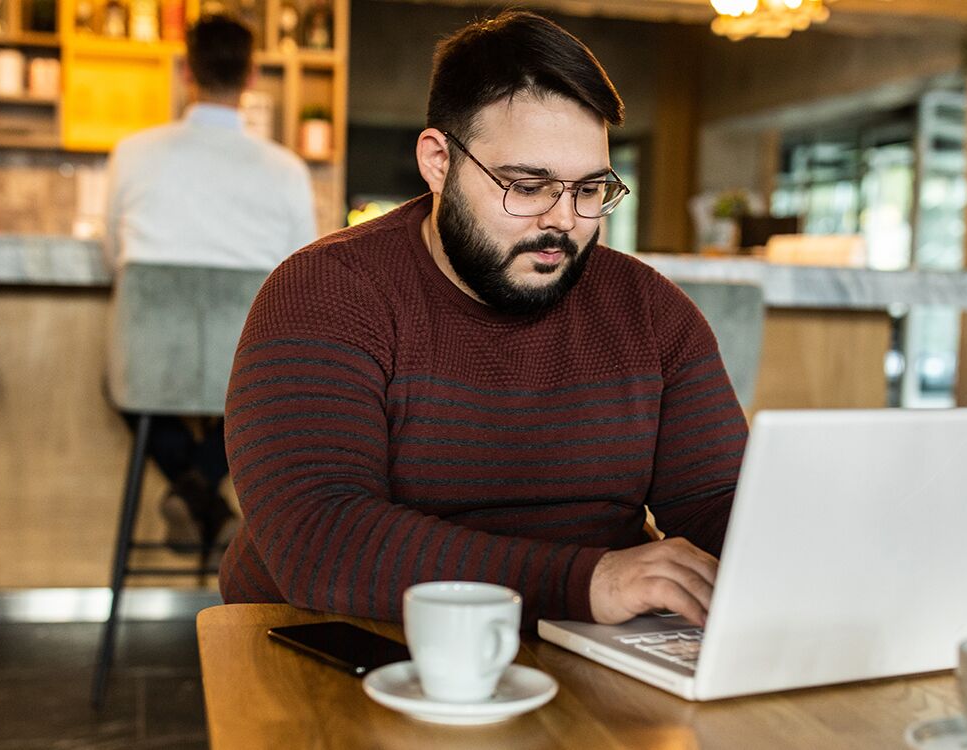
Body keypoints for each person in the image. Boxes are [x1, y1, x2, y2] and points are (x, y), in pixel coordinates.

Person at [220, 11, 747, 626]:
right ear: (438, 161)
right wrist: (588, 582)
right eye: (527, 186)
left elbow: (718, 505)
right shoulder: (326, 292)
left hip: (585, 641)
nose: (563, 221)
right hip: (340, 637)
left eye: (588, 190)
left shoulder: (653, 315)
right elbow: (321, 538)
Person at [103, 15, 317, 550]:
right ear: (252, 77)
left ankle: (192, 491)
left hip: (148, 363)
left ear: (184, 71)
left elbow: (112, 256)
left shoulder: (132, 153)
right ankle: (208, 503)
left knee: (126, 386)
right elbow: (301, 276)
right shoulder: (285, 170)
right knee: (265, 395)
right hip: (247, 371)